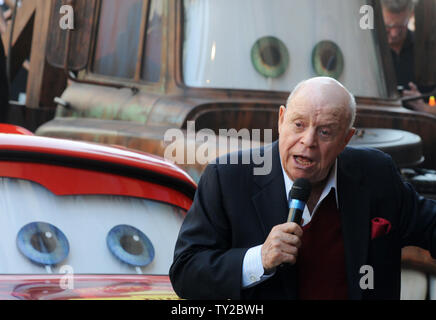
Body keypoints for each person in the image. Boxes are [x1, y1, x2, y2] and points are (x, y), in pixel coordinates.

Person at [169, 77, 436, 300]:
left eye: (325, 132)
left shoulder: (375, 173)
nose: (307, 141)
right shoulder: (228, 179)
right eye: (299, 124)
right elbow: (186, 274)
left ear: (346, 139)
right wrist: (258, 259)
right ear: (281, 120)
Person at [381, 0, 436, 113]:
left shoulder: (428, 51)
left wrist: (425, 107)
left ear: (411, 15)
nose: (394, 33)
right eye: (388, 26)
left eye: (401, 26)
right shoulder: (371, 53)